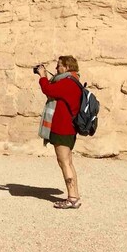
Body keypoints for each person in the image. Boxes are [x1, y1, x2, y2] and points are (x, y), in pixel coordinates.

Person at [36, 56, 83, 209]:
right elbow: (55, 91)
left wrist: (43, 75)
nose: (56, 69)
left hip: (62, 129)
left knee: (64, 163)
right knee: (68, 162)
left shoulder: (68, 83)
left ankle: (72, 198)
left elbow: (48, 90)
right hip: (68, 128)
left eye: (58, 66)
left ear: (66, 67)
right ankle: (75, 195)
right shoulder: (72, 81)